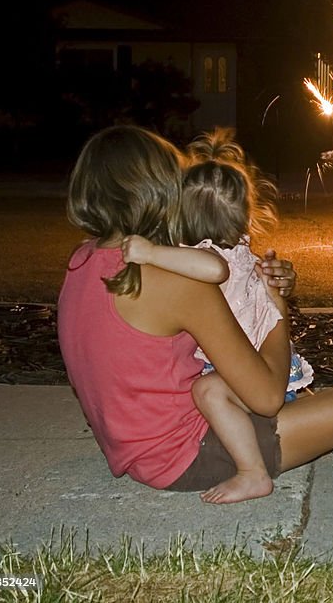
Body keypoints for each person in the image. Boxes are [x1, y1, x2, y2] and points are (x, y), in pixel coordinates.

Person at [58, 125, 333, 505]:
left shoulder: (82, 262)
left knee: (301, 400)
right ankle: (315, 445)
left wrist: (253, 286)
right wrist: (275, 311)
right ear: (160, 192)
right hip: (193, 453)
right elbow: (265, 397)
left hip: (134, 445)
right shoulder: (175, 283)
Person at [120, 129, 316, 503]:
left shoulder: (204, 256)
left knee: (206, 392)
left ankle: (252, 473)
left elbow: (213, 269)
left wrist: (148, 253)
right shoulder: (242, 252)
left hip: (246, 374)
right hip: (267, 368)